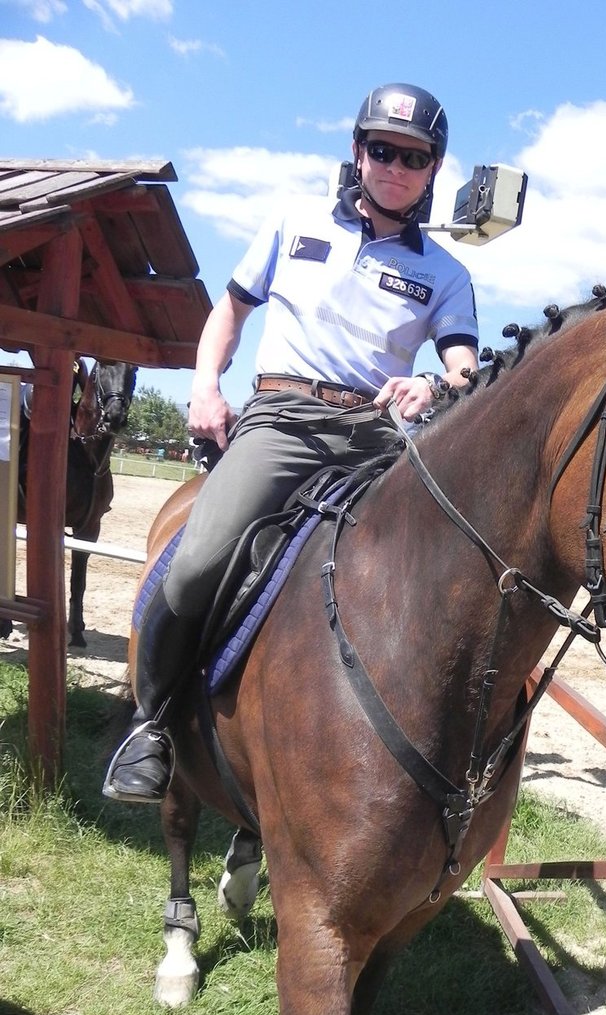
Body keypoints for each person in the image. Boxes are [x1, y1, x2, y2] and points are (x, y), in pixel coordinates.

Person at [103, 82, 479, 802]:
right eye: (382, 149)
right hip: (282, 419)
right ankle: (150, 726)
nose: (396, 166)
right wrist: (206, 385)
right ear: (357, 150)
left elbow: (463, 366)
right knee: (195, 565)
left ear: (434, 169)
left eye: (415, 156)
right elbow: (231, 312)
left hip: (375, 437)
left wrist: (433, 385)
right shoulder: (292, 220)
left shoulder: (446, 272)